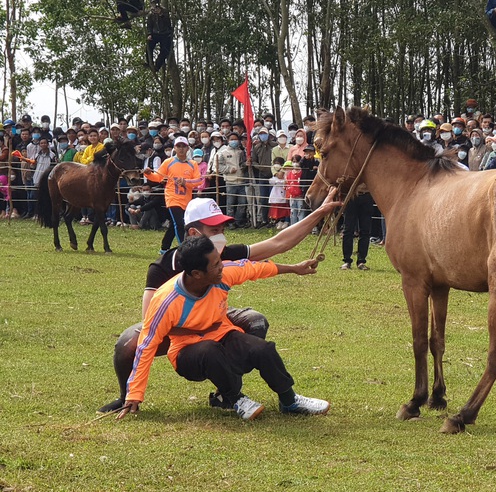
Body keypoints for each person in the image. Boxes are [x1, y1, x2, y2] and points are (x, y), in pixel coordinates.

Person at [97, 190, 341, 414]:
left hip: (216, 320)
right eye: (214, 230)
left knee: (258, 335)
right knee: (131, 342)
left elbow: (266, 256)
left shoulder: (220, 261)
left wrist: (318, 217)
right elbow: (150, 333)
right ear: (194, 234)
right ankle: (128, 397)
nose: (222, 237)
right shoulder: (163, 278)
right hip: (175, 334)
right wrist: (136, 392)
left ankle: (285, 399)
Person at [120, 235, 330, 421]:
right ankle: (234, 399)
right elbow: (146, 345)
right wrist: (134, 395)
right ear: (197, 274)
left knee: (263, 350)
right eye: (215, 265)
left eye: (219, 261)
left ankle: (289, 401)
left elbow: (254, 268)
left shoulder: (222, 274)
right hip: (187, 353)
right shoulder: (166, 301)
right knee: (209, 350)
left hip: (223, 334)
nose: (222, 266)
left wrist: (294, 269)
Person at [145, 136, 203, 252]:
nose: (181, 149)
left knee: (174, 224)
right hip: (172, 198)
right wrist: (149, 174)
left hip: (186, 200)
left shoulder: (192, 164)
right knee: (180, 224)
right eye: (178, 146)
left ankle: (164, 248)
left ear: (188, 149)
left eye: (183, 146)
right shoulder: (168, 162)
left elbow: (198, 181)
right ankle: (184, 249)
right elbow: (159, 177)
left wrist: (185, 182)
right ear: (175, 148)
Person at [340, 179, 375, 271]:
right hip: (352, 196)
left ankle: (361, 261)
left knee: (365, 230)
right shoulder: (352, 167)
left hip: (367, 195)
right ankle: (347, 260)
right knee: (348, 230)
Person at [145, 0, 173, 73]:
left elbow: (168, 24)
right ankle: (149, 63)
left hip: (165, 34)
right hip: (155, 34)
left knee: (165, 51)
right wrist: (149, 34)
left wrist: (161, 15)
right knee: (149, 46)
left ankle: (157, 66)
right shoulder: (151, 14)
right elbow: (149, 25)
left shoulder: (164, 11)